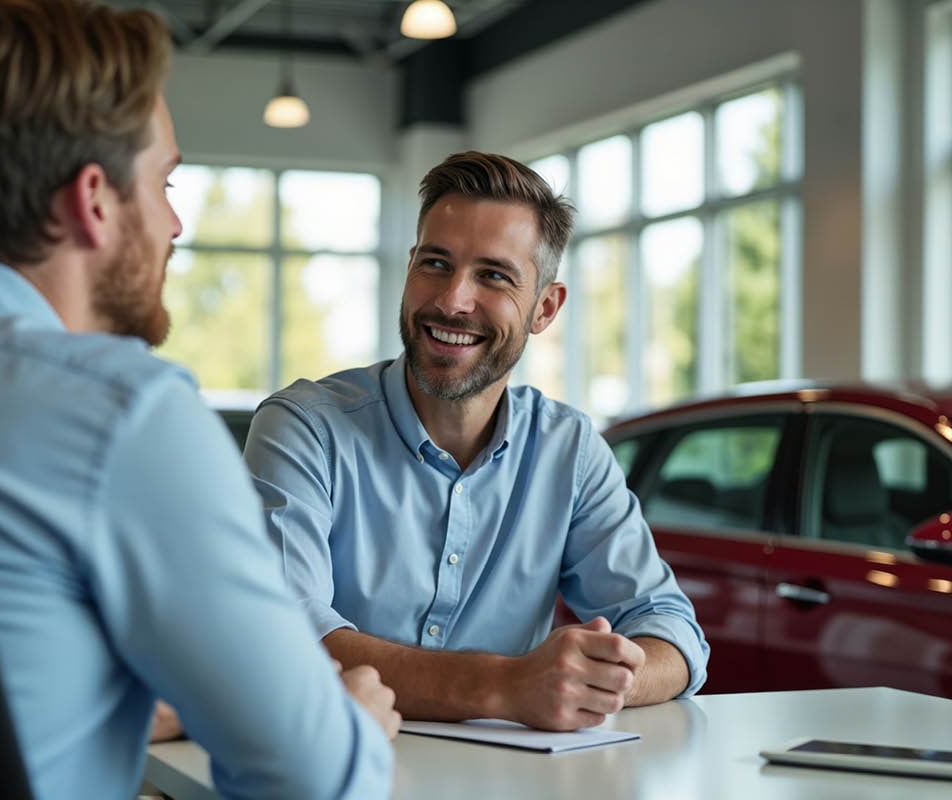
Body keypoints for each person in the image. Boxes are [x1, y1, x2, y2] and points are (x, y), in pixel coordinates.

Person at [0, 1, 399, 798]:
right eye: (165, 182)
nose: (174, 222)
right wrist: (356, 728)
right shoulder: (124, 417)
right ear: (93, 201)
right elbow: (310, 785)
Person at [243, 151, 710, 732]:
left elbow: (671, 629)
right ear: (410, 266)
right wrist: (507, 687)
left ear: (545, 307)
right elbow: (285, 636)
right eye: (436, 263)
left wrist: (594, 683)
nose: (452, 300)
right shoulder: (304, 428)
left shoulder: (569, 450)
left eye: (493, 275)